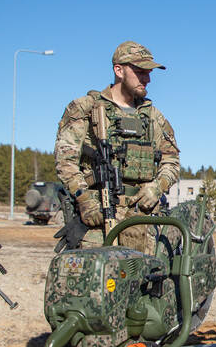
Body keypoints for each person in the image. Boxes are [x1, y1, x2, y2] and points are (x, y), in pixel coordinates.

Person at [54, 41, 179, 252]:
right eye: (140, 72)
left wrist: (157, 187)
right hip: (97, 219)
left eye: (149, 73)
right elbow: (65, 160)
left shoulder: (153, 117)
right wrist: (84, 201)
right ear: (118, 70)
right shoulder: (85, 108)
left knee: (143, 280)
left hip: (141, 221)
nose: (147, 79)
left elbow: (171, 160)